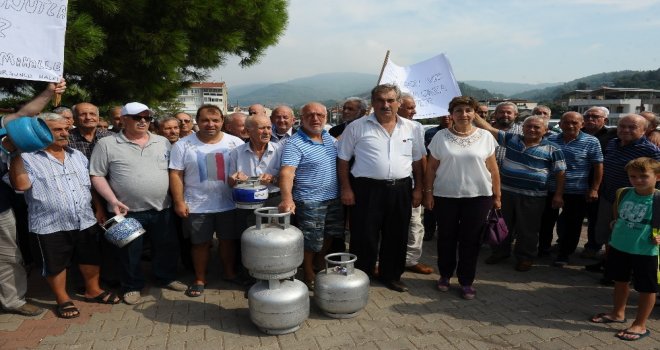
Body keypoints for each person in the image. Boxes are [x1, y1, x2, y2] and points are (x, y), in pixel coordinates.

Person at [8, 112, 120, 318]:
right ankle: (63, 299)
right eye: (57, 129)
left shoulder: (77, 155)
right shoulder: (26, 158)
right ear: (40, 133)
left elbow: (90, 186)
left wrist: (99, 208)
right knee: (55, 263)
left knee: (90, 256)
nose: (64, 133)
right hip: (48, 223)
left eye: (66, 129)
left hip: (84, 219)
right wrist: (16, 154)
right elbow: (22, 185)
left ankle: (92, 290)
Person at [90, 102, 186, 305]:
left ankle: (165, 277)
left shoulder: (162, 142)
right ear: (124, 119)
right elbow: (97, 175)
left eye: (147, 117)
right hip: (126, 212)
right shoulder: (106, 144)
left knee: (166, 246)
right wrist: (112, 200)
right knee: (129, 252)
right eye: (137, 117)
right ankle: (131, 286)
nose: (143, 121)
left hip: (162, 208)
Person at [338, 83, 425, 293]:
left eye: (390, 100)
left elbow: (418, 161)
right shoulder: (356, 127)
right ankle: (362, 276)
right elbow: (342, 161)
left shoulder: (413, 128)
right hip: (366, 189)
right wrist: (346, 189)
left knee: (397, 235)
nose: (385, 105)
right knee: (364, 235)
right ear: (373, 103)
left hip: (401, 189)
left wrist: (419, 189)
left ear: (399, 103)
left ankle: (392, 276)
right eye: (380, 100)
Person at [423, 96, 500, 300]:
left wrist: (497, 196)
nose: (463, 114)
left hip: (478, 197)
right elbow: (431, 167)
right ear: (452, 114)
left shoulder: (485, 136)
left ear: (474, 113)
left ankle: (466, 281)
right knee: (446, 238)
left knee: (470, 241)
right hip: (445, 196)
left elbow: (493, 169)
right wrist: (428, 193)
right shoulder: (441, 136)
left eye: (468, 110)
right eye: (458, 111)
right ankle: (445, 275)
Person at [0, 79, 65, 317]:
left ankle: (13, 301)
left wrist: (49, 90)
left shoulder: (5, 130)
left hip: (1, 210)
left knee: (9, 257)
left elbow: (28, 111)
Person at [474, 113, 566, 272]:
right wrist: (473, 112)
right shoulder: (512, 139)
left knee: (528, 229)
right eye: (528, 126)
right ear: (522, 128)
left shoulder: (553, 148)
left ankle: (525, 257)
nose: (532, 129)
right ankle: (500, 252)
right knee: (502, 225)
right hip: (507, 192)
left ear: (545, 130)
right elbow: (488, 128)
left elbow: (561, 173)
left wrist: (558, 194)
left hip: (534, 196)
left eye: (537, 127)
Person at [169, 105, 245, 297]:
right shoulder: (183, 145)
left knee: (228, 241)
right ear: (198, 121)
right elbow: (176, 175)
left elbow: (243, 170)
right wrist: (179, 201)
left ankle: (229, 273)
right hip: (197, 204)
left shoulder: (235, 142)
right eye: (205, 120)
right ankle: (200, 278)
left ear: (222, 122)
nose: (210, 124)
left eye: (215, 120)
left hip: (229, 203)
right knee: (200, 244)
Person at [590, 157, 660, 341]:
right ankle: (618, 313)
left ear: (657, 176)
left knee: (646, 288)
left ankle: (640, 324)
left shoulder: (658, 198)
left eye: (644, 176)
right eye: (633, 176)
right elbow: (617, 214)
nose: (637, 180)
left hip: (646, 251)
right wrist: (615, 223)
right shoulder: (623, 192)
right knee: (620, 281)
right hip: (620, 246)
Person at [278, 102, 343, 289]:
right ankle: (307, 273)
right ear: (302, 118)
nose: (315, 119)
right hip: (310, 200)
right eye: (310, 115)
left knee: (330, 235)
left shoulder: (330, 139)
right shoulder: (295, 143)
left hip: (333, 198)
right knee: (311, 240)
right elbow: (287, 172)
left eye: (320, 115)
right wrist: (287, 198)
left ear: (326, 117)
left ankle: (320, 265)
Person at [590, 114, 660, 279]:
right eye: (622, 126)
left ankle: (625, 272)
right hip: (610, 196)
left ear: (644, 131)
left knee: (630, 234)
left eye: (632, 127)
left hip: (636, 201)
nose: (625, 130)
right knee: (608, 232)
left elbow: (656, 177)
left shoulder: (650, 150)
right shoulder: (613, 143)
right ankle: (610, 265)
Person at [537, 112, 603, 266]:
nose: (570, 125)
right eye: (566, 122)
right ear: (560, 124)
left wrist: (594, 188)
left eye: (574, 122)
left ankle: (564, 253)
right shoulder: (550, 139)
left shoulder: (591, 141)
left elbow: (598, 166)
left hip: (577, 190)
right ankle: (543, 248)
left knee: (572, 224)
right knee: (546, 220)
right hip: (550, 188)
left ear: (582, 124)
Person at [228, 113, 283, 232]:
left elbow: (291, 180)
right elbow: (230, 183)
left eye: (269, 128)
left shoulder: (280, 150)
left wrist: (273, 179)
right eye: (262, 128)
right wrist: (235, 179)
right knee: (248, 239)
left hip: (273, 201)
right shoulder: (236, 153)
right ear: (248, 131)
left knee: (275, 238)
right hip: (246, 203)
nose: (267, 132)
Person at [398, 94, 433, 275]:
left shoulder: (416, 127)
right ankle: (387, 259)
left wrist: (423, 187)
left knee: (415, 224)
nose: (414, 111)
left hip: (412, 185)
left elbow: (420, 158)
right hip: (389, 187)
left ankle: (410, 260)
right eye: (410, 108)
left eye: (414, 107)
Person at [581, 106, 618, 259]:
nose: (590, 119)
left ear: (605, 120)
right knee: (571, 217)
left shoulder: (614, 135)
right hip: (576, 184)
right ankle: (564, 243)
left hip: (599, 185)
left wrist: (656, 133)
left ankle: (593, 246)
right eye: (587, 116)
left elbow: (644, 128)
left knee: (595, 218)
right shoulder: (577, 132)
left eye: (595, 116)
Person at [491, 102, 523, 166]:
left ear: (515, 115)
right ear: (495, 114)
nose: (505, 115)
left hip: (511, 173)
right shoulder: (485, 130)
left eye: (509, 112)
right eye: (501, 112)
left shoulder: (522, 132)